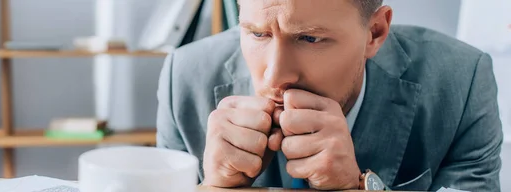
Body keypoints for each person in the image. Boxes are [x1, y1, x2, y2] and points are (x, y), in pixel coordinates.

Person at [155, 0, 503, 191]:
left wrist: (356, 188)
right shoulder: (184, 78)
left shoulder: (462, 82)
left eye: (310, 39)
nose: (275, 76)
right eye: (258, 34)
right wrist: (212, 189)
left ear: (375, 32)